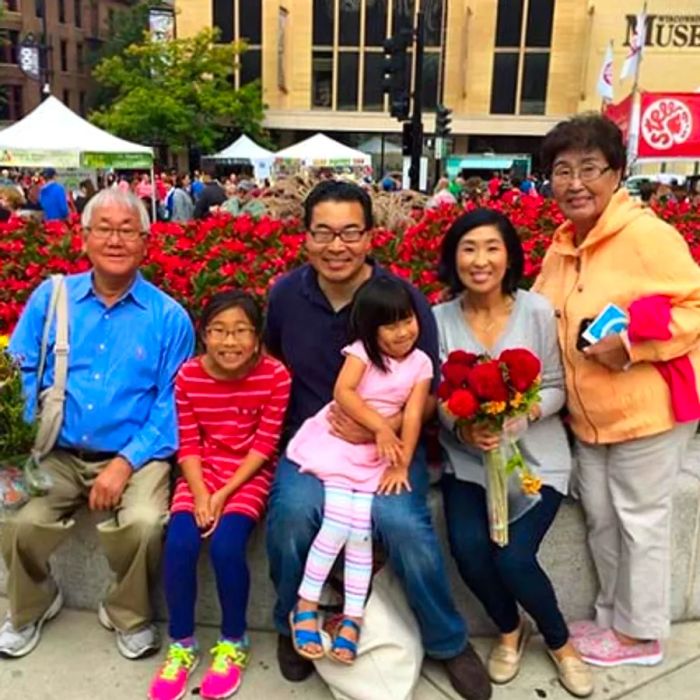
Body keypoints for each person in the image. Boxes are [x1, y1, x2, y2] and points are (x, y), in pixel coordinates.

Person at [264, 180, 492, 700]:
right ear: (305, 238)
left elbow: (425, 388)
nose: (336, 245)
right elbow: (274, 363)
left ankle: (447, 639)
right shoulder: (284, 296)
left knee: (401, 523)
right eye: (323, 232)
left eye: (349, 232)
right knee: (293, 515)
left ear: (370, 237)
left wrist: (375, 428)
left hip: (390, 447)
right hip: (315, 446)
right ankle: (290, 621)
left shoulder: (400, 299)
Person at [533, 113, 700, 667]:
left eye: (589, 168)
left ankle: (641, 636)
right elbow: (539, 317)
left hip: (646, 410)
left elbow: (694, 307)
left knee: (642, 520)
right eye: (562, 170)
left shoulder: (647, 235)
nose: (575, 182)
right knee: (604, 518)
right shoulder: (563, 245)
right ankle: (613, 616)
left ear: (617, 173)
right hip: (589, 418)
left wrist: (631, 347)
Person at [0, 188, 194, 660]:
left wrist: (125, 464)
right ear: (84, 237)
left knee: (147, 523)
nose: (115, 239)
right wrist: (22, 446)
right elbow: (20, 369)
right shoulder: (54, 297)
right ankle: (33, 604)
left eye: (128, 230)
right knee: (18, 521)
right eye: (104, 228)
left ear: (146, 241)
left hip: (137, 452)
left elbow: (172, 405)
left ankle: (126, 612)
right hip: (57, 452)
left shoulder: (169, 317)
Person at [433, 209, 593, 698]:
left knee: (513, 558)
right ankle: (509, 628)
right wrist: (463, 427)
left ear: (509, 256)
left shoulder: (537, 311)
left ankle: (561, 644)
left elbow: (555, 387)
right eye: (468, 248)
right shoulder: (437, 319)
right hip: (468, 463)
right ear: (453, 257)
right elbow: (436, 395)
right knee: (469, 550)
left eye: (491, 247)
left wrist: (519, 417)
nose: (480, 260)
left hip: (533, 463)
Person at [147, 291, 291, 700]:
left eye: (241, 331)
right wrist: (200, 492)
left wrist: (223, 494)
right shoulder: (189, 377)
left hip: (249, 474)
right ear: (204, 335)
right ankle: (182, 645)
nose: (230, 342)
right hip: (200, 473)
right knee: (179, 545)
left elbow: (265, 445)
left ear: (257, 336)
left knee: (227, 547)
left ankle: (234, 641)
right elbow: (188, 444)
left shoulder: (275, 376)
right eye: (219, 332)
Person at [287, 276, 433, 665]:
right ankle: (306, 603)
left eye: (408, 320)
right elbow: (343, 393)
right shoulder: (362, 354)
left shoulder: (421, 363)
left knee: (360, 533)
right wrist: (382, 427)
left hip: (376, 458)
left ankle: (351, 616)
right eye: (390, 325)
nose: (403, 332)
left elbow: (415, 413)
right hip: (338, 448)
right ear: (370, 330)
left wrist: (401, 462)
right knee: (336, 525)